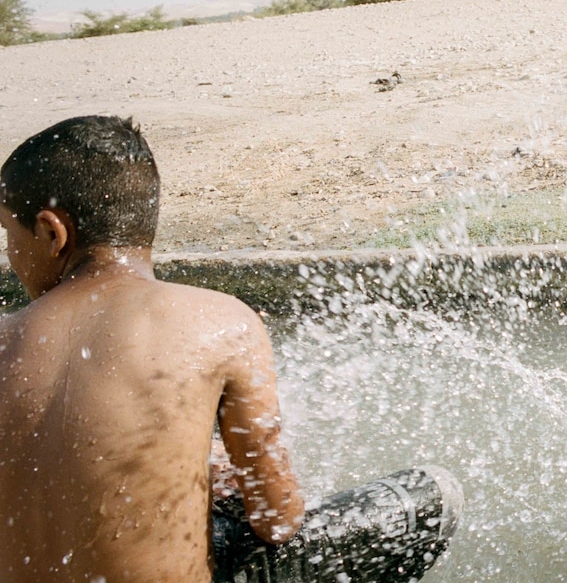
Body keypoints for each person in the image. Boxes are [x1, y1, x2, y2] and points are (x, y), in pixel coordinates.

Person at [0, 116, 459, 583]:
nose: (10, 254)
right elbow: (277, 518)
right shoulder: (218, 321)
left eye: (6, 234)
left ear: (51, 232)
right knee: (429, 497)